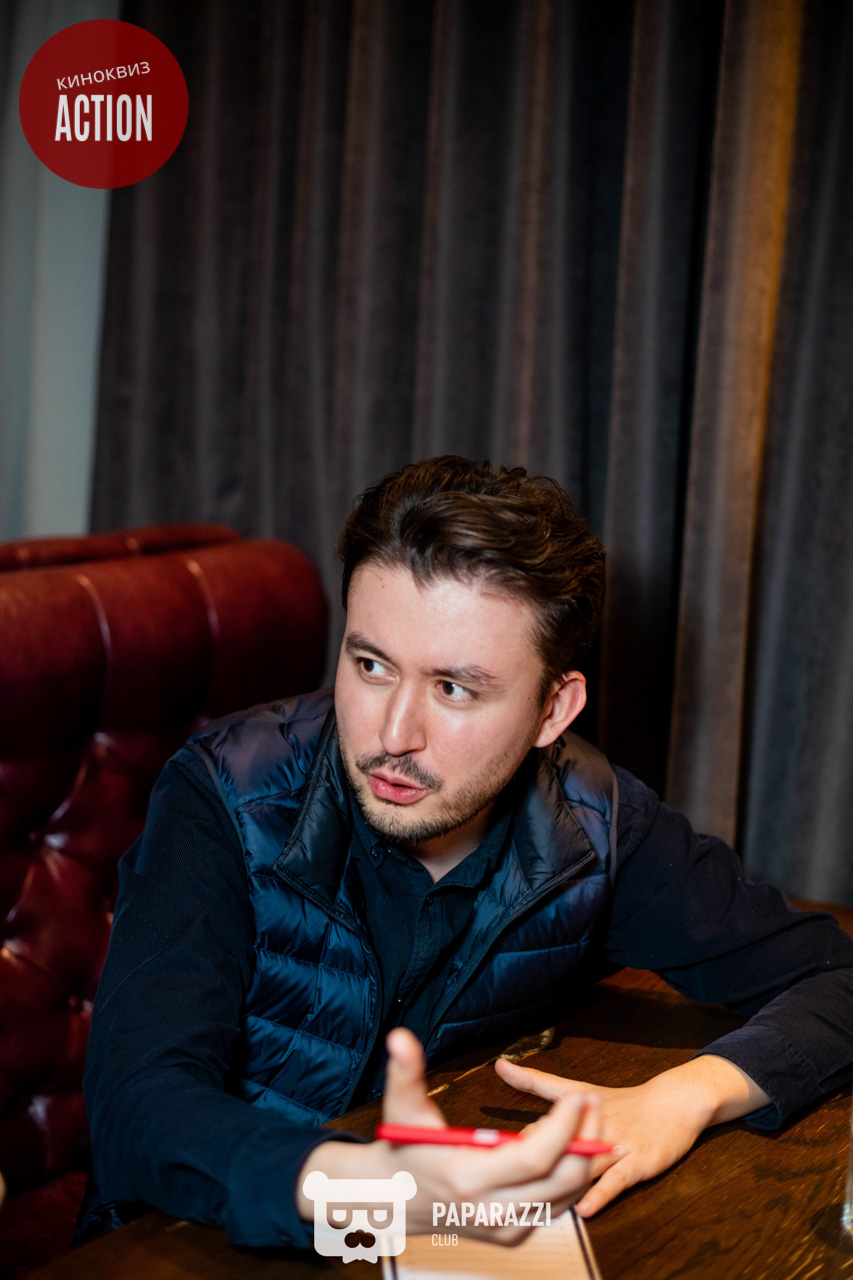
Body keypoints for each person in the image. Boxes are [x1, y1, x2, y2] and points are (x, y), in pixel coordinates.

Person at [82, 456, 853, 1250]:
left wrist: (684, 1097)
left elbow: (836, 977)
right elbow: (136, 1108)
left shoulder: (597, 823)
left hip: (448, 1236)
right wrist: (369, 1190)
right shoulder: (226, 795)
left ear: (553, 710)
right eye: (371, 665)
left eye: (453, 688)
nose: (393, 735)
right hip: (191, 1242)